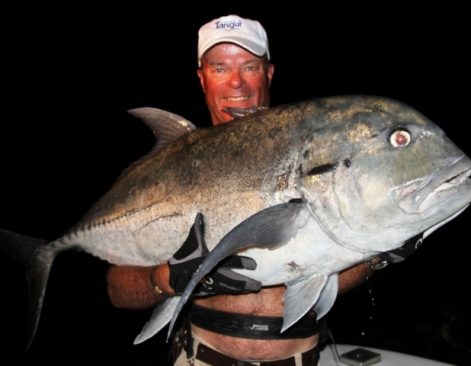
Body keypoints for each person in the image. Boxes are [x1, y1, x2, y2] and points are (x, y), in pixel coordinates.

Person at [107, 14, 381, 365]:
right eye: (220, 68)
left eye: (249, 67)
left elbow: (325, 267)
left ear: (268, 74)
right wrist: (165, 278)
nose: (237, 84)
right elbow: (118, 289)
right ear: (202, 78)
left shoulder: (311, 155)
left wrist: (376, 255)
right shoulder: (166, 175)